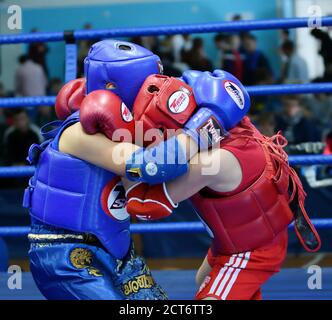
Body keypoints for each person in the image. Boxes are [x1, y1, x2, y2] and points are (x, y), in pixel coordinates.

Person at [24, 40, 243, 300]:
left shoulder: (128, 126)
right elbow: (150, 166)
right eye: (147, 86)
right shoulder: (79, 133)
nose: (156, 92)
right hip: (65, 255)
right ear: (113, 88)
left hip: (117, 250)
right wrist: (211, 122)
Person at [123, 70, 321, 300]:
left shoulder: (211, 162)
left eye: (158, 132)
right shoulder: (236, 124)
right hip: (237, 239)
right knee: (204, 281)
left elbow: (146, 207)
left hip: (250, 251)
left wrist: (120, 150)